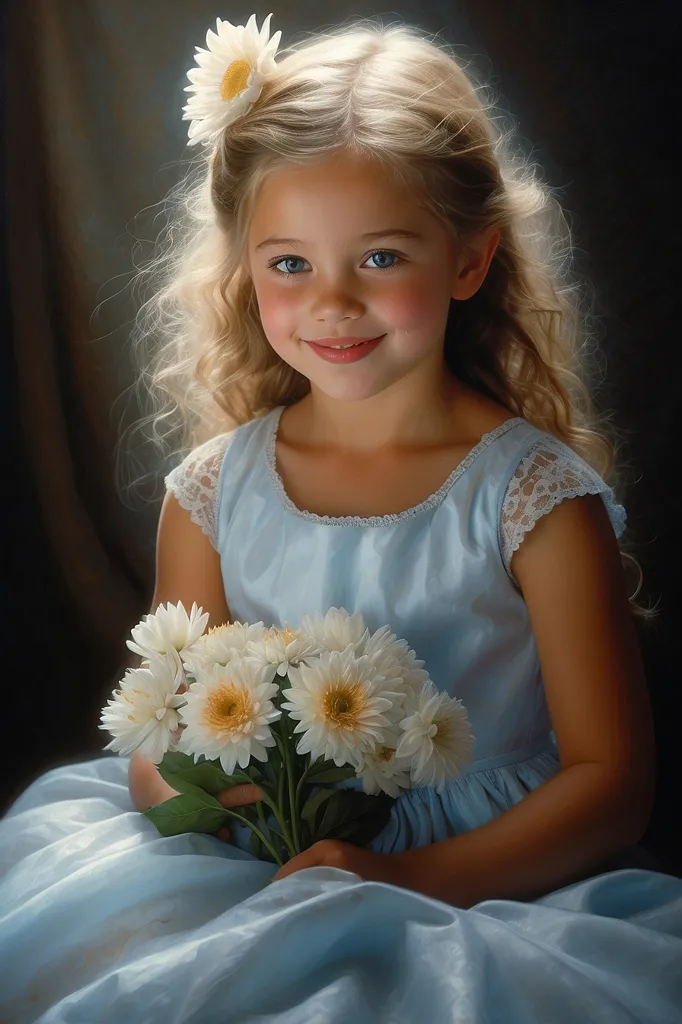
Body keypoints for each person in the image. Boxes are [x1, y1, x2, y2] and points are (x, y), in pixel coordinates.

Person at [1, 13, 680, 1023]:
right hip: (255, 860)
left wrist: (401, 877)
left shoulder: (532, 498)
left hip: (490, 884)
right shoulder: (212, 491)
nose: (331, 304)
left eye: (377, 259)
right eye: (288, 265)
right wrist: (226, 813)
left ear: (467, 258)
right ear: (242, 264)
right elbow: (160, 728)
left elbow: (609, 779)